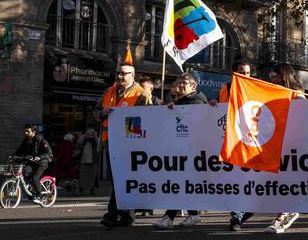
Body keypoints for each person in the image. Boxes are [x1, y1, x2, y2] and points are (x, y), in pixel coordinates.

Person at [154, 74, 208, 229]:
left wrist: (175, 109)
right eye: (180, 83)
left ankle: (169, 217)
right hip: (181, 149)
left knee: (180, 182)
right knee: (183, 183)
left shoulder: (197, 102)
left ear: (193, 86)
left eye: (186, 83)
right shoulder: (181, 101)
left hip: (193, 150)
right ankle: (193, 214)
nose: (182, 85)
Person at [97, 62, 143, 227]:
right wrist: (102, 112)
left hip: (130, 144)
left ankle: (111, 215)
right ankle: (128, 215)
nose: (120, 76)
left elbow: (149, 119)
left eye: (124, 73)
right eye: (118, 73)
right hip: (109, 142)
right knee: (117, 179)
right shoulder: (108, 91)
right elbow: (95, 113)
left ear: (133, 75)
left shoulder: (141, 94)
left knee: (119, 179)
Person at [263, 63, 307, 234]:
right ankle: (287, 210)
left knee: (287, 179)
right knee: (280, 181)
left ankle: (282, 217)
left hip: (292, 143)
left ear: (283, 75)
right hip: (274, 142)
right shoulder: (270, 92)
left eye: (274, 75)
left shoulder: (297, 95)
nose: (271, 78)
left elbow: (301, 118)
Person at [215, 60, 254, 231]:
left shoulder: (257, 87)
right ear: (233, 73)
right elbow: (221, 111)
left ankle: (243, 213)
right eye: (241, 72)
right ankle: (236, 216)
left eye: (247, 72)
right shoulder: (226, 88)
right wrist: (212, 106)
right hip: (233, 141)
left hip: (253, 141)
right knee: (238, 180)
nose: (245, 76)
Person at [13, 125, 53, 204]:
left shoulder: (41, 140)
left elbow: (49, 153)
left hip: (42, 162)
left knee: (35, 178)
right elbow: (20, 150)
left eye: (28, 131)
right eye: (25, 131)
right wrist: (13, 156)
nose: (26, 133)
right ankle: (32, 191)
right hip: (32, 161)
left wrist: (39, 157)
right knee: (25, 173)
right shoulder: (26, 140)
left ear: (34, 132)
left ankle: (39, 196)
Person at [74, 127, 99, 195]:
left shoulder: (95, 140)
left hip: (93, 161)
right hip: (83, 161)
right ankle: (81, 190)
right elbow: (78, 143)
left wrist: (95, 135)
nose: (90, 134)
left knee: (92, 177)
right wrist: (85, 135)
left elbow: (99, 145)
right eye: (89, 133)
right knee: (82, 177)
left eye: (92, 133)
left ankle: (92, 190)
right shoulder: (84, 139)